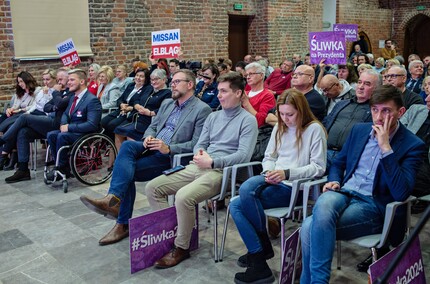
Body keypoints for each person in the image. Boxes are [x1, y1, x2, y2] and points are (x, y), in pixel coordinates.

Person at [300, 85, 425, 283]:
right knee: (323, 203)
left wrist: (386, 148)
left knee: (308, 226)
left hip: (373, 205)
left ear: (400, 112)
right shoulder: (359, 130)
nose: (379, 117)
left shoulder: (413, 145)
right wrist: (334, 179)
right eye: (375, 109)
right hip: (343, 192)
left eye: (386, 111)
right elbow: (339, 163)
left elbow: (401, 192)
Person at [79, 69, 212, 245]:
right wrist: (148, 136)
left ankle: (121, 220)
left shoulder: (202, 109)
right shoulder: (167, 103)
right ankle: (114, 200)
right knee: (127, 146)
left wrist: (169, 148)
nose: (172, 84)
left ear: (190, 85)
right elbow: (153, 126)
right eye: (172, 82)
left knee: (126, 174)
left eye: (177, 82)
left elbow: (197, 144)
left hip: (169, 156)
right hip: (149, 146)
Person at [144, 72, 258, 269]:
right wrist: (200, 155)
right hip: (198, 164)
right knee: (153, 187)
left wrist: (213, 162)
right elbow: (200, 143)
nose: (219, 95)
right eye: (219, 91)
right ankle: (174, 233)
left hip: (222, 172)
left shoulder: (248, 120)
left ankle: (181, 247)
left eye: (224, 91)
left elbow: (243, 156)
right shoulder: (213, 116)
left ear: (239, 93)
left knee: (182, 197)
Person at [230, 89, 327, 284]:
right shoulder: (280, 126)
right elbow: (269, 157)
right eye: (281, 114)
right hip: (275, 179)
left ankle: (259, 252)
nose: (285, 118)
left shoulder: (314, 129)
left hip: (295, 187)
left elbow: (318, 168)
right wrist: (268, 171)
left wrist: (287, 173)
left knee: (238, 202)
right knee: (242, 196)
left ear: (301, 110)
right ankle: (260, 252)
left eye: (290, 114)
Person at [0, 68, 73, 183]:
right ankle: (23, 170)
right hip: (48, 119)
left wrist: (55, 97)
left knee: (24, 117)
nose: (59, 82)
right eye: (58, 79)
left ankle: (3, 140)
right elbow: (46, 107)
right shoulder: (54, 91)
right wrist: (54, 103)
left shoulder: (68, 92)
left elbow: (57, 105)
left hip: (58, 123)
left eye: (61, 79)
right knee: (22, 132)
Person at [46, 69, 102, 178]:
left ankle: (61, 168)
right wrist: (64, 124)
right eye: (69, 80)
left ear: (81, 82)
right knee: (51, 135)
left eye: (72, 80)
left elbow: (92, 124)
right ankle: (61, 165)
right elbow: (66, 114)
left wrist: (69, 127)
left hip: (84, 133)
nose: (68, 82)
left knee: (62, 136)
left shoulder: (92, 100)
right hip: (72, 131)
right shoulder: (73, 98)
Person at [323, 69, 381, 168]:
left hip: (349, 158)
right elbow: (325, 124)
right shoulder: (342, 104)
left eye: (367, 84)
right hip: (325, 153)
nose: (361, 87)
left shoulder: (376, 111)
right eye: (359, 82)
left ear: (377, 88)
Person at [114, 69, 171, 150]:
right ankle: (119, 158)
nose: (153, 82)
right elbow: (136, 100)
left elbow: (165, 109)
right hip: (136, 118)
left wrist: (150, 113)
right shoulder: (149, 89)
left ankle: (131, 157)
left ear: (164, 80)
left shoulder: (167, 93)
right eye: (152, 79)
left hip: (149, 121)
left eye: (156, 79)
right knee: (117, 131)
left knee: (129, 135)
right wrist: (137, 106)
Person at [400, 78, 430, 213]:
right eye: (428, 95)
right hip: (407, 152)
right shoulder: (416, 110)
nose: (427, 99)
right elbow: (398, 129)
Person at [0, 71, 40, 170]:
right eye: (18, 82)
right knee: (5, 117)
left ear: (27, 80)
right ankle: (10, 157)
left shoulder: (38, 91)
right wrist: (11, 109)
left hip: (28, 116)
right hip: (17, 115)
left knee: (12, 126)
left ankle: (4, 156)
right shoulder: (20, 92)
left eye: (21, 81)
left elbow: (34, 107)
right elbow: (15, 106)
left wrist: (20, 110)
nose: (20, 84)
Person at [101, 68, 151, 141]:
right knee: (102, 122)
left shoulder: (147, 88)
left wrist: (130, 108)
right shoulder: (131, 85)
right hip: (121, 110)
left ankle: (112, 145)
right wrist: (121, 104)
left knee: (112, 125)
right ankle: (107, 144)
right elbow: (120, 99)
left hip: (131, 113)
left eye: (141, 76)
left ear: (146, 78)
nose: (138, 78)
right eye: (137, 75)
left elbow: (141, 103)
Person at [242, 62, 276, 128]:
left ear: (261, 75)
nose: (248, 77)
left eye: (251, 74)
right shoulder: (245, 93)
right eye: (246, 75)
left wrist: (246, 103)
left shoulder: (267, 95)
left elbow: (261, 122)